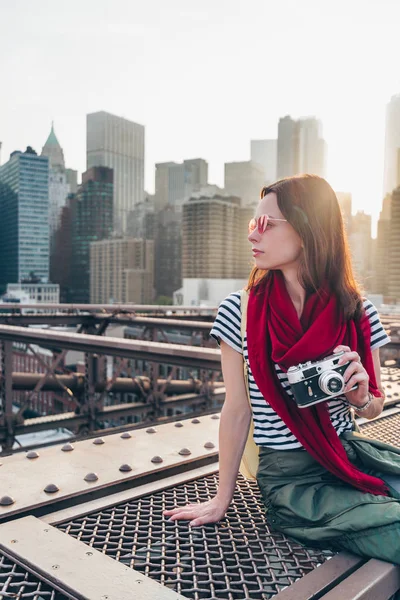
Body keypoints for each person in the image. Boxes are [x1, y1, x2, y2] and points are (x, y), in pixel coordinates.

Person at [164, 174, 400, 563]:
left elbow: (374, 405)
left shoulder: (357, 312)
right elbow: (237, 410)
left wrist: (359, 400)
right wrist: (222, 499)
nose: (253, 236)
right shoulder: (238, 313)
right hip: (292, 480)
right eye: (251, 224)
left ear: (308, 230)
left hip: (351, 454)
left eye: (266, 225)